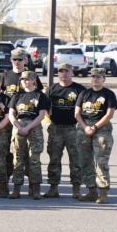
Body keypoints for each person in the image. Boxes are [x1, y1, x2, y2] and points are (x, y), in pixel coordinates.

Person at [75, 68, 117, 204]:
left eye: (99, 77)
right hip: (84, 128)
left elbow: (109, 114)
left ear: (104, 79)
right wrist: (85, 127)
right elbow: (77, 113)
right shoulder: (84, 93)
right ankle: (91, 191)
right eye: (93, 76)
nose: (96, 79)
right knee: (85, 161)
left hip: (102, 129)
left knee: (101, 162)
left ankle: (103, 192)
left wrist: (94, 127)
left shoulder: (109, 94)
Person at [44, 62, 83, 198]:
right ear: (58, 73)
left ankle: (76, 189)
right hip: (56, 129)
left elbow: (83, 110)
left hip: (73, 129)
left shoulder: (79, 89)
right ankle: (53, 188)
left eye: (67, 71)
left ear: (72, 73)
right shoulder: (51, 89)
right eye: (61, 71)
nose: (64, 74)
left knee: (76, 160)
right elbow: (45, 108)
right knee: (54, 159)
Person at [8, 70, 48, 199]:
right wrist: (18, 126)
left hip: (34, 127)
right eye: (22, 80)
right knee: (18, 159)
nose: (24, 82)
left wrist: (29, 127)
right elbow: (11, 113)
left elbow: (42, 115)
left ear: (33, 81)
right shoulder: (17, 95)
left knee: (34, 159)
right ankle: (16, 189)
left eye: (27, 79)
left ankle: (35, 189)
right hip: (19, 127)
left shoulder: (40, 96)